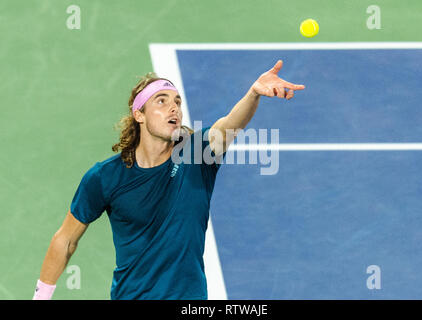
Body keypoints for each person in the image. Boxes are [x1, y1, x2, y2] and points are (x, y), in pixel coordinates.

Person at [33, 60, 305, 300]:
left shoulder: (198, 156)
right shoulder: (104, 177)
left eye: (176, 102)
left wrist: (253, 94)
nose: (173, 108)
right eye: (161, 101)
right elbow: (66, 239)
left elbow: (229, 124)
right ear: (139, 115)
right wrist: (41, 297)